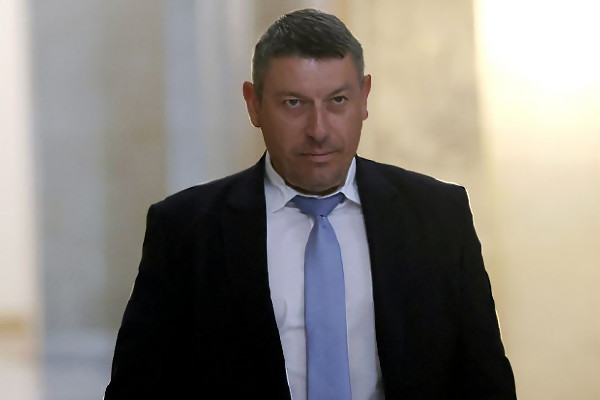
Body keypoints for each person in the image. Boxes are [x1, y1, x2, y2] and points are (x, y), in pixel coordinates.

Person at [104, 8, 516, 400]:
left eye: (337, 101)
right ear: (253, 104)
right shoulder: (185, 231)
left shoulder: (439, 216)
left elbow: (485, 383)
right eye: (294, 103)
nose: (318, 130)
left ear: (364, 97)